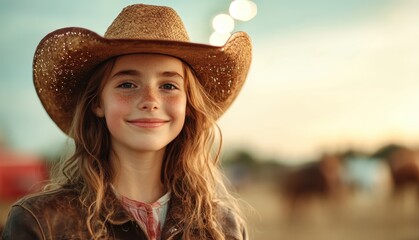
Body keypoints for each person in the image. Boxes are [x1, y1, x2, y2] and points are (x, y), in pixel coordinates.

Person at [1, 4, 252, 240]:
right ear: (97, 103)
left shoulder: (222, 226)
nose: (150, 101)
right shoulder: (41, 221)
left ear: (188, 106)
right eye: (127, 84)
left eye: (168, 85)